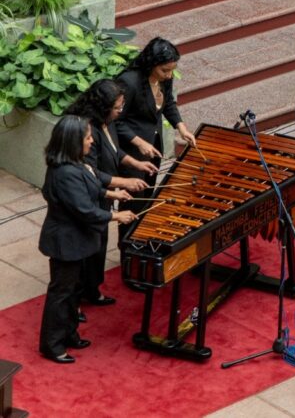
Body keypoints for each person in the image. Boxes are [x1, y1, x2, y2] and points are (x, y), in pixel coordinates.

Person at [38, 115, 136, 364]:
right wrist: (116, 215)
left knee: (73, 291)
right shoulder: (65, 173)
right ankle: (53, 344)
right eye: (88, 138)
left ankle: (69, 334)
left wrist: (113, 192)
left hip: (78, 239)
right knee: (62, 293)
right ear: (73, 141)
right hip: (66, 241)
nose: (92, 141)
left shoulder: (76, 163)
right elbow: (85, 210)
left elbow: (92, 185)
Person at [65, 80, 157, 307]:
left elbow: (115, 151)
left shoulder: (108, 122)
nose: (120, 111)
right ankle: (74, 302)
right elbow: (91, 172)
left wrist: (136, 163)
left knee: (99, 245)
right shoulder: (86, 130)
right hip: (89, 196)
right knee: (87, 249)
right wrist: (123, 184)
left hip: (103, 194)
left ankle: (92, 290)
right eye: (117, 108)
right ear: (102, 106)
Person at [115, 37, 195, 240]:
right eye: (164, 70)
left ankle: (141, 240)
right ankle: (128, 245)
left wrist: (182, 128)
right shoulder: (129, 81)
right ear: (151, 64)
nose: (169, 76)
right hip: (132, 151)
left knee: (148, 195)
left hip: (153, 147)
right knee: (132, 200)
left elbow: (168, 104)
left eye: (171, 70)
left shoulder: (164, 79)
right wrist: (139, 142)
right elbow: (116, 121)